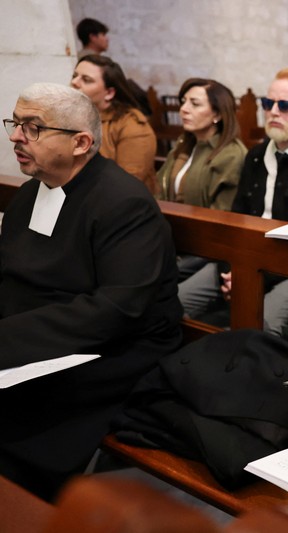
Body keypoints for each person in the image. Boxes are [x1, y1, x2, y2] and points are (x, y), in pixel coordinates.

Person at [0, 83, 182, 501]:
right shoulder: (30, 194)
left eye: (32, 127)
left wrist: (8, 342)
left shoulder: (124, 204)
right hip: (46, 332)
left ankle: (24, 507)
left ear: (80, 142)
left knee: (27, 412)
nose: (14, 136)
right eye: (15, 123)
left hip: (119, 344)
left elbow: (115, 309)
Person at [182, 68, 288, 334]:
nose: (273, 111)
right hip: (244, 259)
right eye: (267, 103)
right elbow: (236, 220)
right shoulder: (256, 156)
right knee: (177, 301)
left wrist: (251, 276)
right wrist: (233, 271)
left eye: (284, 105)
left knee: (262, 323)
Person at [71, 55, 158, 193]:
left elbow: (128, 183)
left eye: (86, 80)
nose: (74, 82)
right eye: (74, 76)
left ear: (109, 93)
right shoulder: (70, 117)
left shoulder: (132, 125)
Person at [156, 78, 246, 210]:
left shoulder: (231, 154)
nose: (183, 109)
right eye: (183, 102)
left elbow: (223, 214)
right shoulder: (184, 143)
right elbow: (159, 187)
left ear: (217, 114)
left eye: (195, 104)